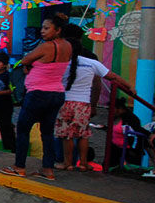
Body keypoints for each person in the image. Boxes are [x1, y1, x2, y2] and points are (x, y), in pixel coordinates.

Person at [0, 13, 72, 181]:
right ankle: (48, 169)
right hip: (57, 93)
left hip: (38, 93)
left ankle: (19, 166)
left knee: (23, 130)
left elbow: (26, 60)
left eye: (47, 28)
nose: (43, 31)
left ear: (58, 30)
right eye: (42, 28)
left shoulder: (47, 46)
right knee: (47, 132)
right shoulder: (68, 46)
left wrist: (29, 64)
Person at [54, 25, 134, 170]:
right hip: (84, 103)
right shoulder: (92, 63)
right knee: (83, 134)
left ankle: (67, 163)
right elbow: (113, 77)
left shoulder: (62, 64)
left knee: (67, 135)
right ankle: (83, 163)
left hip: (65, 102)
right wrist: (130, 88)